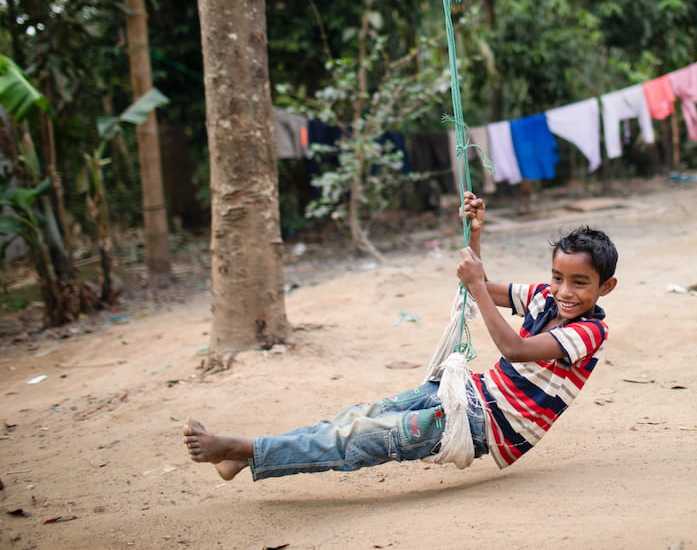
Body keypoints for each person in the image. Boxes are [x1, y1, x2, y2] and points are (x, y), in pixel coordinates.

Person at [183, 191, 618, 481]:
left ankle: (243, 446)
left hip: (489, 426)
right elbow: (478, 288)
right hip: (467, 392)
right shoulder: (544, 296)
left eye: (580, 282)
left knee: (364, 438)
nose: (564, 291)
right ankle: (247, 457)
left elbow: (515, 348)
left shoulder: (590, 331)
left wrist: (476, 281)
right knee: (360, 414)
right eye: (558, 277)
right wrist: (477, 235)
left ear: (604, 287)